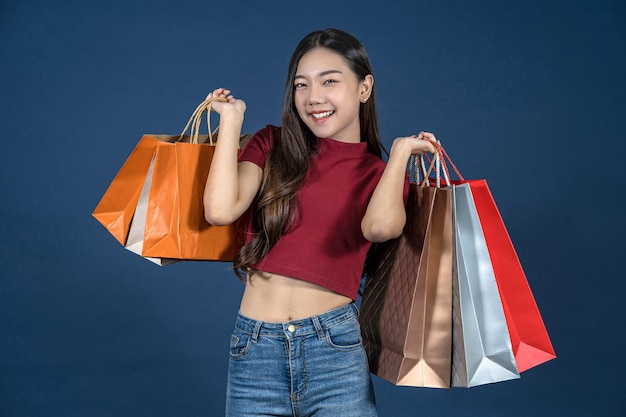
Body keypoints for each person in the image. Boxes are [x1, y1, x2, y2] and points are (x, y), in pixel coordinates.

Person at [203, 28, 436, 417]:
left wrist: (398, 156)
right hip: (254, 349)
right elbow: (220, 210)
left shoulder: (380, 174)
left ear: (365, 88)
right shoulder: (271, 144)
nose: (314, 98)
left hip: (334, 349)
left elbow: (379, 229)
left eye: (330, 81)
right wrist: (231, 120)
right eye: (302, 85)